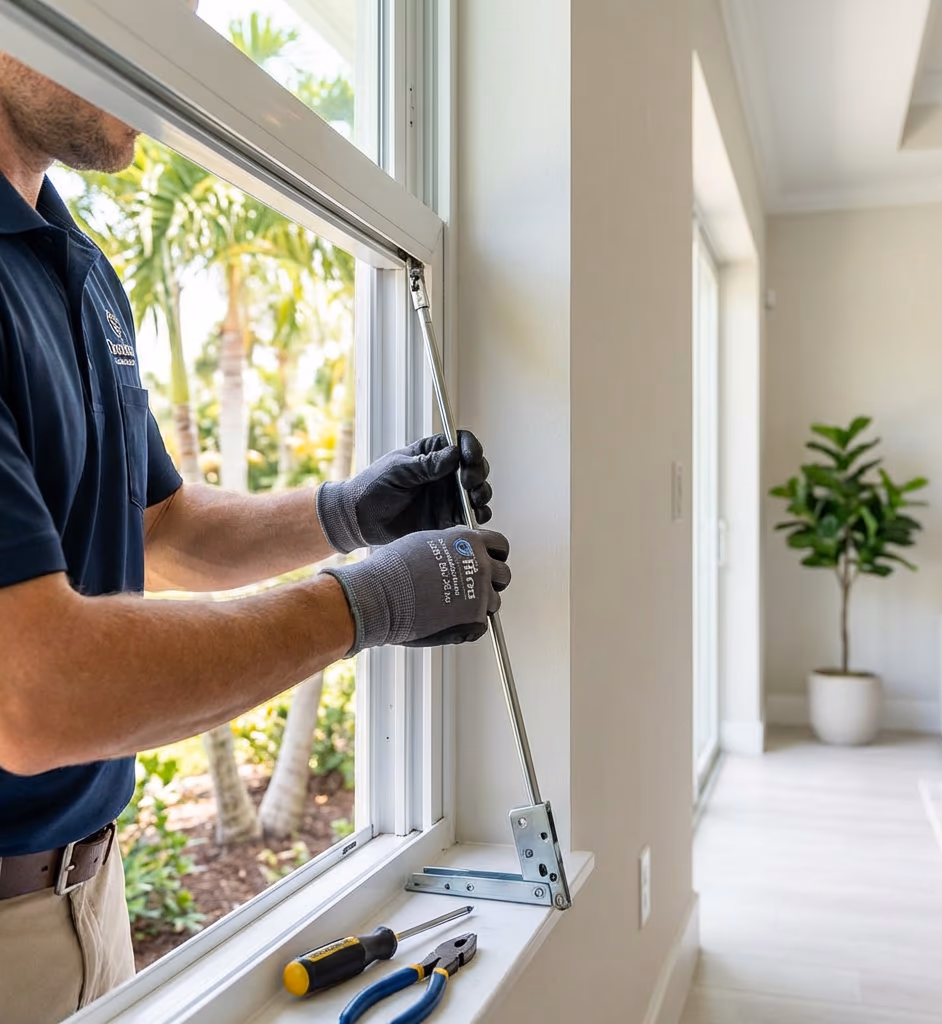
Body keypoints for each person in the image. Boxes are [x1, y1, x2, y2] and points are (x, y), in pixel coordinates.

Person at [0, 54, 511, 1024]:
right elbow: (30, 693)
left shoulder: (84, 271)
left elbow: (163, 526)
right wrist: (368, 602)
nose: (155, 50)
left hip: (92, 896)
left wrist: (354, 511)